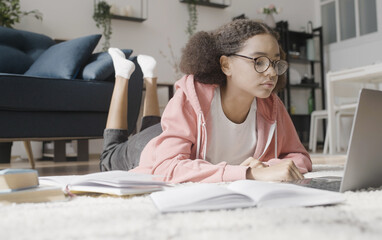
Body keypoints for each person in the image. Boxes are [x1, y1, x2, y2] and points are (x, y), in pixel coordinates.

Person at [101, 19, 312, 183]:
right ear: (226, 65)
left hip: (176, 133)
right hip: (149, 148)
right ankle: (123, 74)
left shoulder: (272, 106)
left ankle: (150, 77)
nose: (271, 72)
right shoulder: (192, 97)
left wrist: (271, 166)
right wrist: (249, 173)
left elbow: (300, 156)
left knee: (152, 127)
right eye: (259, 61)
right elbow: (167, 167)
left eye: (275, 62)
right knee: (110, 154)